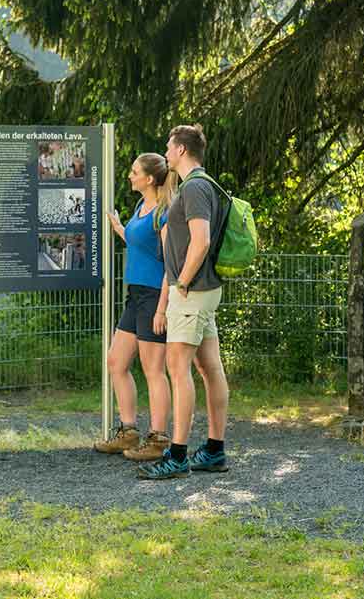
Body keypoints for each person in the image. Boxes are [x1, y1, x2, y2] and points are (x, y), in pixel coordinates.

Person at [137, 124, 230, 479]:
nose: (165, 152)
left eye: (168, 146)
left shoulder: (194, 188)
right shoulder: (203, 184)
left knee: (178, 369)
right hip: (203, 291)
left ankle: (177, 455)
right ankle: (214, 450)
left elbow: (201, 241)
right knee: (209, 368)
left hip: (191, 292)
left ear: (180, 150)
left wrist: (183, 282)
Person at [93, 152, 176, 462]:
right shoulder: (142, 206)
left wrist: (162, 309)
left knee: (154, 370)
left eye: (134, 172)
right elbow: (139, 243)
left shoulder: (164, 213)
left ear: (150, 179)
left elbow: (171, 264)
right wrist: (119, 228)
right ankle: (128, 432)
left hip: (155, 297)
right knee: (116, 361)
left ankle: (158, 439)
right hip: (135, 295)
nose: (130, 176)